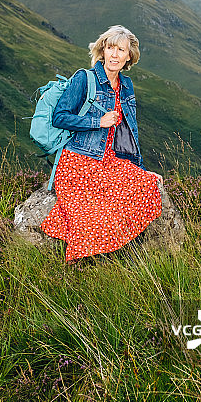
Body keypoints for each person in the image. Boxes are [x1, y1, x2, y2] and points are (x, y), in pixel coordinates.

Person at [41, 25, 162, 262]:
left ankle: (108, 254)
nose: (115, 55)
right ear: (102, 50)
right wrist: (98, 121)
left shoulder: (126, 86)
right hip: (78, 161)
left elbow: (130, 132)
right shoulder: (84, 79)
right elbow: (60, 117)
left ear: (129, 56)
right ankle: (86, 259)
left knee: (148, 185)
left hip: (110, 160)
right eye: (110, 48)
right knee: (91, 214)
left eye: (121, 50)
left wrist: (141, 169)